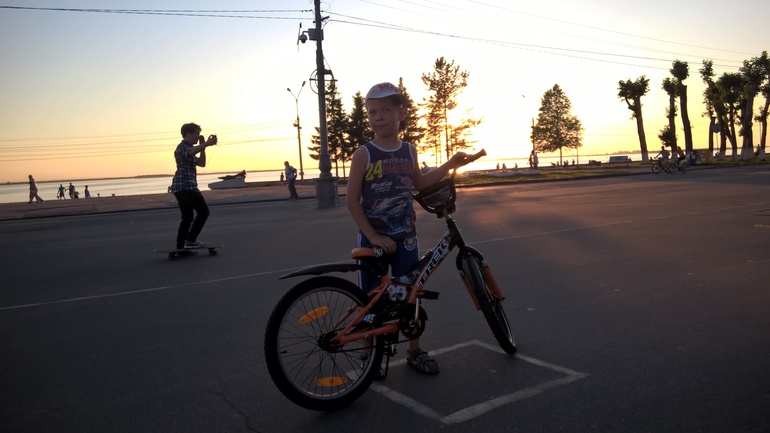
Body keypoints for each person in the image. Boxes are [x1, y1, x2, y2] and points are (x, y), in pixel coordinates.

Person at [347, 82, 469, 375]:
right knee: (371, 298)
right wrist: (373, 236)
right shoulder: (364, 154)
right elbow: (352, 201)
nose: (379, 117)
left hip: (406, 237)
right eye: (372, 112)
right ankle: (368, 356)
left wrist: (450, 164)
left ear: (400, 113)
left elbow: (421, 183)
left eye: (386, 110)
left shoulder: (409, 151)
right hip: (373, 239)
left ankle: (415, 351)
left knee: (409, 294)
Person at [170, 123, 217, 249]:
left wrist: (203, 147)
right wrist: (206, 143)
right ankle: (190, 240)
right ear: (188, 133)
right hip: (186, 186)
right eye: (196, 133)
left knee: (187, 217)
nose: (198, 136)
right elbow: (190, 152)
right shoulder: (182, 147)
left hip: (180, 188)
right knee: (204, 212)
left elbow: (202, 163)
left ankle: (181, 246)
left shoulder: (191, 149)